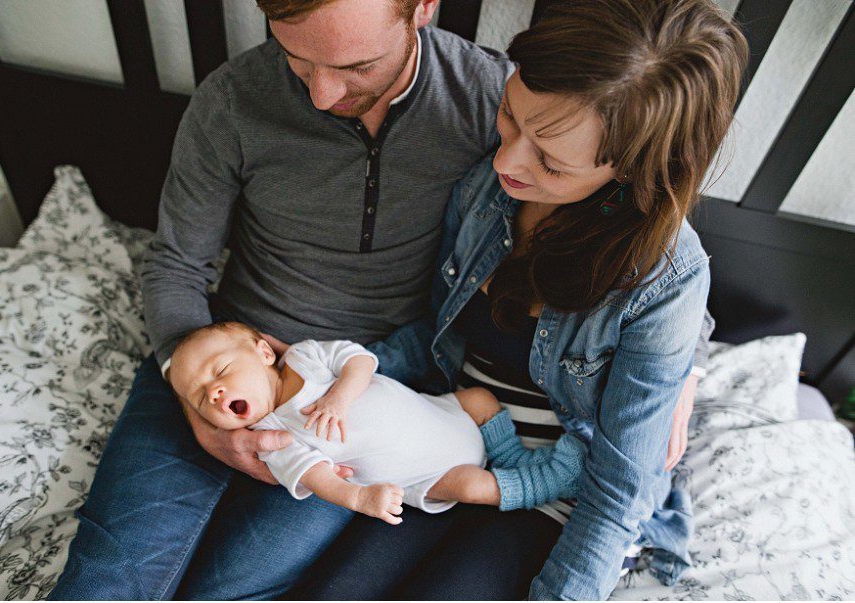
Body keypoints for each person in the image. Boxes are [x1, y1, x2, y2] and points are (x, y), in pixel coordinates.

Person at [49, 0, 712, 599]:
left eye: (354, 64)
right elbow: (174, 261)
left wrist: (678, 369)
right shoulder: (232, 102)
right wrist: (191, 391)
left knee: (241, 584)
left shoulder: (489, 101)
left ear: (423, 8)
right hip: (226, 359)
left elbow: (652, 258)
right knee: (108, 576)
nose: (319, 92)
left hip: (366, 399)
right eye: (295, 57)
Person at [288, 0, 747, 599]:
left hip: (558, 485)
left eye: (551, 164)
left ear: (632, 172)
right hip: (453, 439)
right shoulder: (489, 191)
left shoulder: (664, 281)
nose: (506, 161)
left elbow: (616, 490)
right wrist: (316, 375)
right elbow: (433, 331)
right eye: (510, 115)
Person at [168, 321, 586, 519]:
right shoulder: (273, 438)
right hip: (431, 473)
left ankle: (512, 457)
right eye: (202, 398)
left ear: (263, 353)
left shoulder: (303, 356)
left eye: (220, 372)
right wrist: (358, 499)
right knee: (475, 487)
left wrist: (338, 397)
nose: (215, 392)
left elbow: (359, 359)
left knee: (478, 398)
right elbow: (318, 477)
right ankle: (550, 481)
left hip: (444, 412)